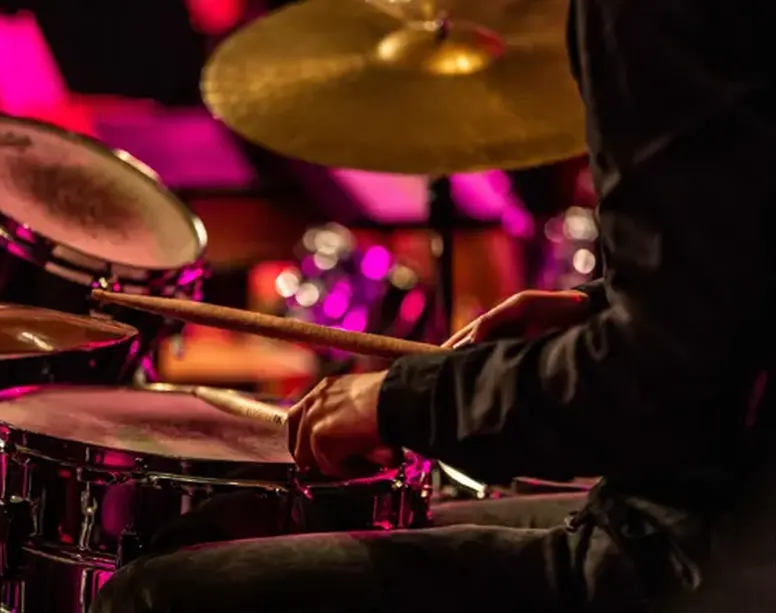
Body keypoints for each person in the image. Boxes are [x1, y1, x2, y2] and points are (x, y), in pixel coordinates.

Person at [90, 0, 774, 611]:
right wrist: (599, 309)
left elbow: (662, 379)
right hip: (717, 504)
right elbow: (730, 301)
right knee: (375, 519)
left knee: (155, 591)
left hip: (705, 551)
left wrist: (404, 401)